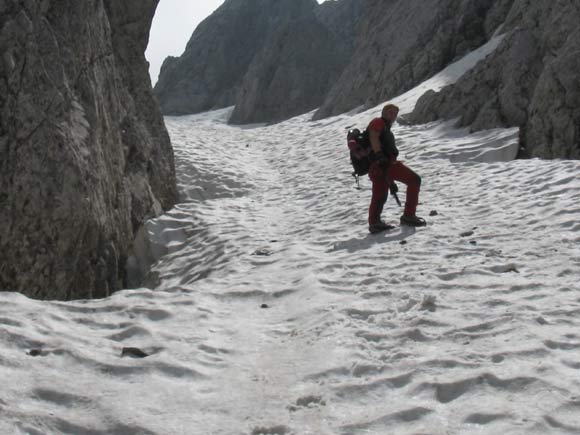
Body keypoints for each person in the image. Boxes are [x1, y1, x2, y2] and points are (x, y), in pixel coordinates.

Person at [367, 103, 425, 233]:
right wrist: (379, 155)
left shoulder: (385, 127)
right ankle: (408, 215)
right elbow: (373, 136)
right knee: (414, 180)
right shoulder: (378, 122)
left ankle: (374, 223)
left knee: (380, 195)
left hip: (376, 167)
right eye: (390, 112)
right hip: (385, 164)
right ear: (383, 113)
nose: (393, 116)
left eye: (395, 114)